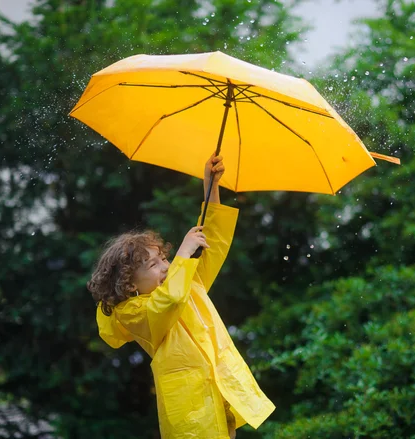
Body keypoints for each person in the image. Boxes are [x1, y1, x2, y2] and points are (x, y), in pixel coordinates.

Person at [87, 154, 275, 439]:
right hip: (191, 413)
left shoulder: (186, 281)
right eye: (153, 264)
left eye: (164, 258)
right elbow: (169, 302)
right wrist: (183, 253)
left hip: (222, 390)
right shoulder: (133, 311)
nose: (166, 265)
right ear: (129, 285)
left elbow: (213, 241)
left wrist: (210, 188)